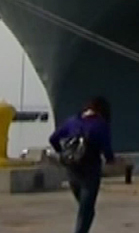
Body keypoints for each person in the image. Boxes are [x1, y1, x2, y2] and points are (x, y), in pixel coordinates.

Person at [49, 96, 115, 233]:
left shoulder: (73, 121)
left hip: (72, 169)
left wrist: (63, 153)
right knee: (86, 209)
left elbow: (53, 138)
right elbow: (107, 150)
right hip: (91, 170)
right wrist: (110, 160)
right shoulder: (101, 125)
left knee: (84, 207)